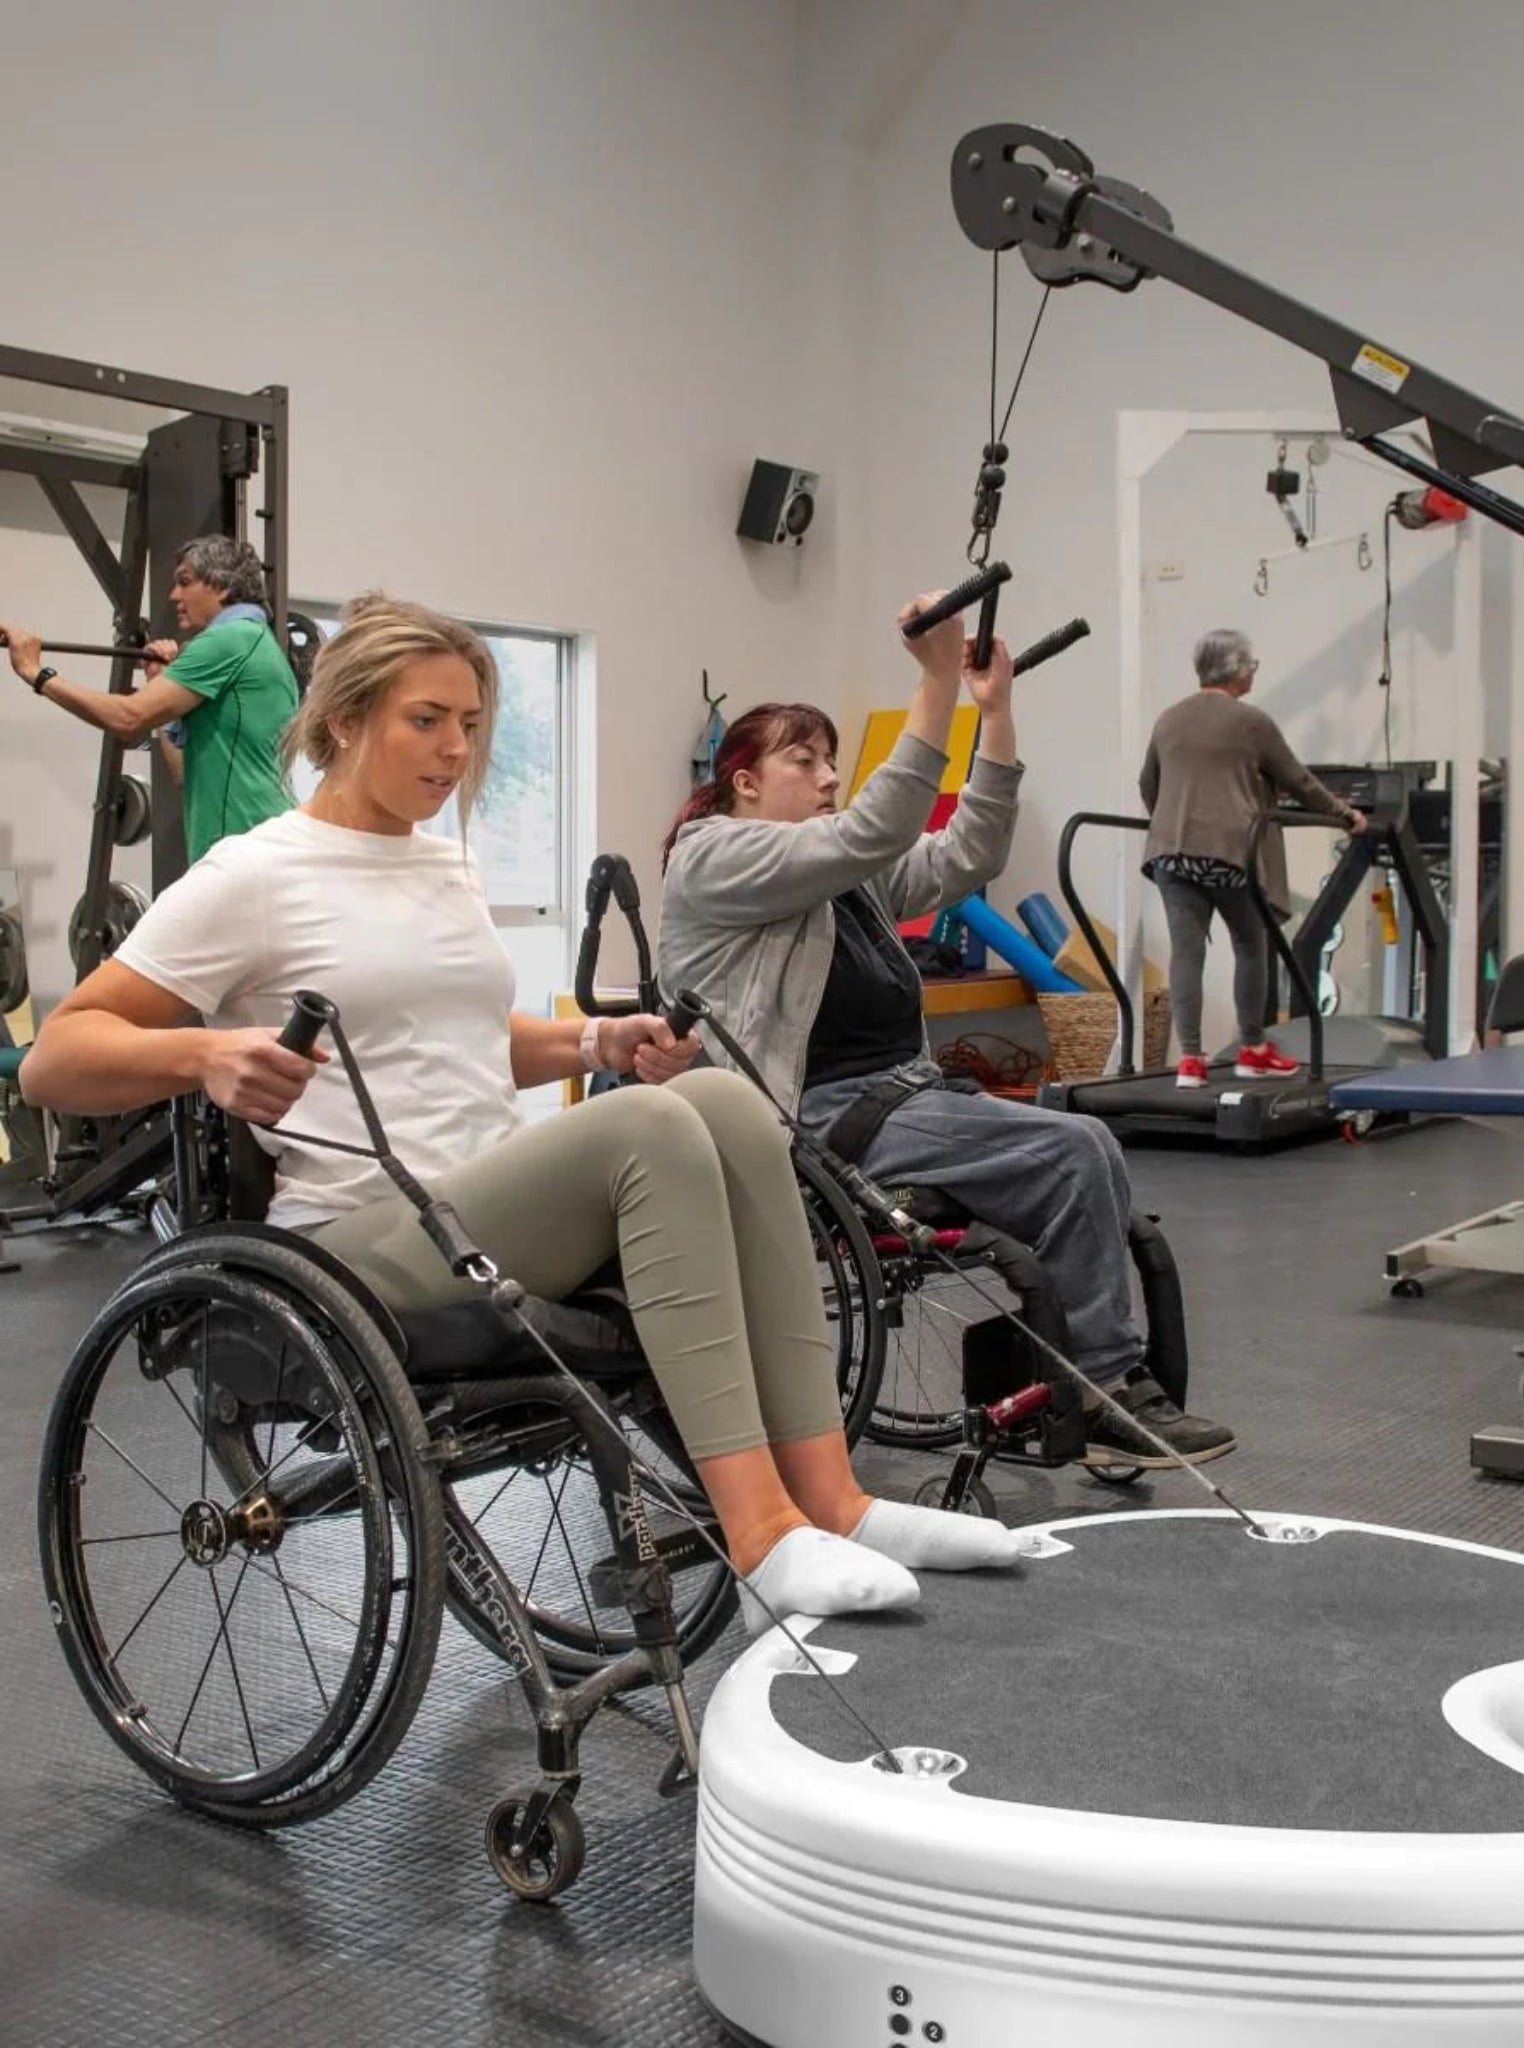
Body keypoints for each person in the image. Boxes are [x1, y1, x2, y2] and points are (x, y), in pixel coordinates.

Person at [19, 593, 1020, 1632]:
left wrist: (596, 1040)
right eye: (426, 719)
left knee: (717, 1094)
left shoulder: (440, 859)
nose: (454, 749)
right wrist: (206, 1051)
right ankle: (759, 1531)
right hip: (356, 1241)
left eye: (469, 724)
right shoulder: (255, 873)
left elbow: (456, 1036)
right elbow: (56, 1059)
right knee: (650, 1127)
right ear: (345, 719)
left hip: (477, 1206)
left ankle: (836, 1501)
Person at [660, 593, 1238, 1469]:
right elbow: (880, 826)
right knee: (1074, 1149)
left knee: (1087, 1146)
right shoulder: (713, 855)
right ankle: (1104, 1385)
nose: (828, 778)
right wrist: (934, 681)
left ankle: (1082, 1371)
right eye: (804, 761)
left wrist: (995, 714)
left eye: (832, 762)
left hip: (905, 1096)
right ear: (743, 781)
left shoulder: (844, 879)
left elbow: (967, 854)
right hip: (811, 1121)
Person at [1140, 628, 1371, 1088]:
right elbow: (1300, 782)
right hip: (1231, 853)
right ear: (1240, 670)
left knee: (1186, 954)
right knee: (1252, 944)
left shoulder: (1168, 720)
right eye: (1253, 666)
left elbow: (1149, 784)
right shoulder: (1252, 723)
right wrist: (1346, 815)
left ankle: (1189, 1060)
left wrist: (1172, 827)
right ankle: (1252, 1048)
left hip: (1171, 854)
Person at [5, 534, 297, 861]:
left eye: (185, 582)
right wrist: (160, 688)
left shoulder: (229, 640)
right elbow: (184, 776)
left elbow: (128, 719)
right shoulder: (255, 640)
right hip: (248, 845)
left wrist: (37, 673)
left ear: (223, 587)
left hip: (246, 846)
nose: (174, 595)